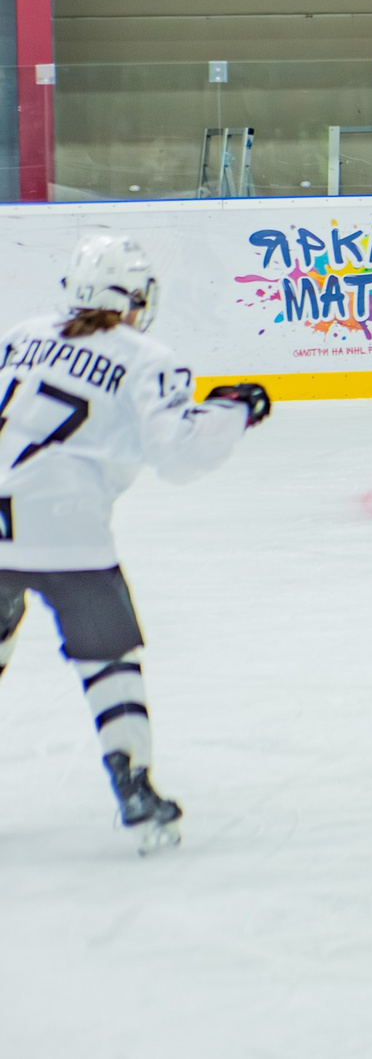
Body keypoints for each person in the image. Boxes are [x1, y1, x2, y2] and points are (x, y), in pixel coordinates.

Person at [0, 231, 271, 853]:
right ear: (138, 296)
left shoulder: (20, 334)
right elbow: (177, 456)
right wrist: (233, 410)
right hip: (66, 530)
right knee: (108, 660)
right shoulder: (149, 357)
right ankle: (133, 786)